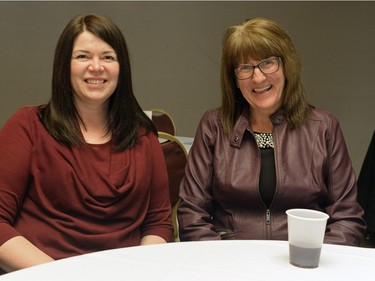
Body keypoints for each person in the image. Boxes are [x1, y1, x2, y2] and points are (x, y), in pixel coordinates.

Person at [0, 14, 173, 273]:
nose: (96, 67)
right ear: (63, 65)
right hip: (42, 274)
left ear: (120, 67)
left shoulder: (143, 136)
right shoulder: (28, 126)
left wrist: (140, 272)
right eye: (83, 56)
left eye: (108, 57)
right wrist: (63, 276)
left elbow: (158, 223)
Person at [177, 17, 366, 246]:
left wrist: (313, 265)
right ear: (234, 79)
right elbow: (192, 214)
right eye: (245, 68)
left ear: (287, 66)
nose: (258, 77)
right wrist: (223, 262)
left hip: (304, 266)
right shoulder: (213, 127)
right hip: (229, 264)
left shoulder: (323, 128)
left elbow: (347, 219)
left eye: (267, 63)